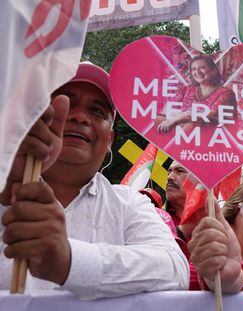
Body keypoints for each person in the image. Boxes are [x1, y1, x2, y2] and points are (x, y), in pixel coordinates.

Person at [0, 62, 189, 299]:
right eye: (66, 102)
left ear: (109, 139)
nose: (80, 116)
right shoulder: (6, 186)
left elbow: (173, 269)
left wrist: (69, 260)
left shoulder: (128, 203)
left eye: (97, 111)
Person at [157, 55, 237, 133]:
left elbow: (206, 114)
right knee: (157, 118)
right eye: (194, 69)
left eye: (202, 68)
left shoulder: (226, 92)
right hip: (182, 129)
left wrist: (175, 120)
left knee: (193, 123)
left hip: (212, 135)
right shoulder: (188, 89)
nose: (197, 72)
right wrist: (168, 120)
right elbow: (170, 109)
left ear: (214, 71)